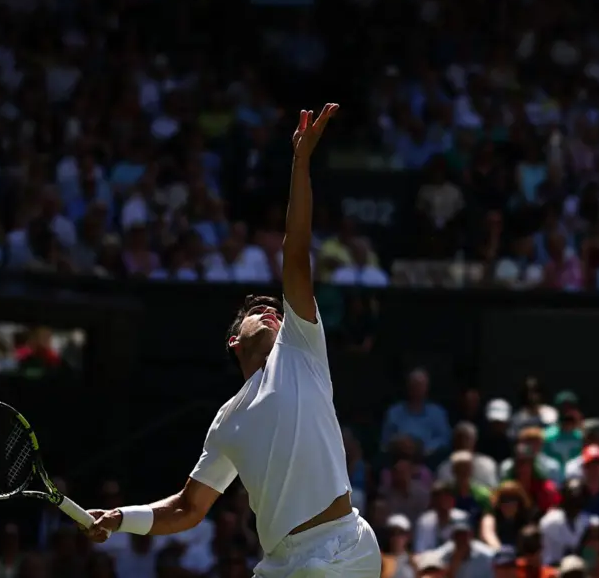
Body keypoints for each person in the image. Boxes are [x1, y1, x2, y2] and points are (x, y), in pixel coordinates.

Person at [84, 104, 382, 578]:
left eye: (276, 310)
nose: (271, 312)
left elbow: (296, 253)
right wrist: (122, 519)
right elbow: (187, 508)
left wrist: (300, 164)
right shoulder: (227, 421)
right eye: (255, 312)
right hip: (281, 565)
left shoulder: (301, 351)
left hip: (341, 551)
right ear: (233, 341)